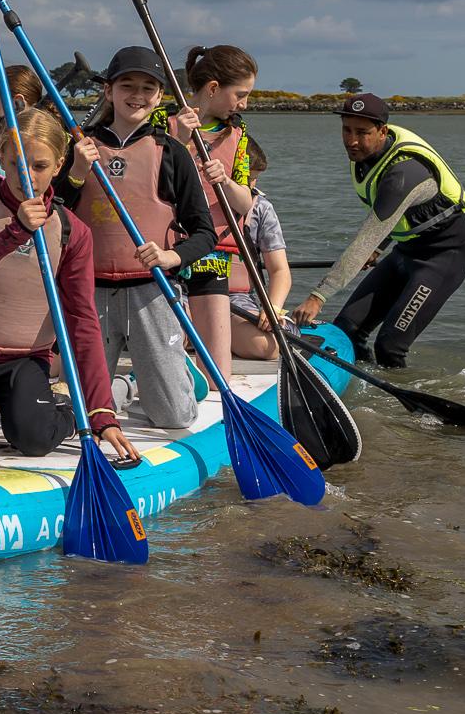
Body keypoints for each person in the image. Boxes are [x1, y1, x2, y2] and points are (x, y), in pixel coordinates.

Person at [0, 106, 138, 463]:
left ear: (59, 166)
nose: (26, 176)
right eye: (16, 164)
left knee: (35, 441)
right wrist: (15, 233)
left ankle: (66, 410)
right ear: (3, 159)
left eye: (40, 166)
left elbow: (83, 322)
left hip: (25, 359)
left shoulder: (72, 232)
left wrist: (101, 413)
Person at [60, 47, 216, 432]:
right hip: (88, 291)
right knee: (86, 412)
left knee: (174, 418)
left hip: (152, 290)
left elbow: (205, 233)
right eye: (127, 85)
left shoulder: (172, 152)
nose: (137, 95)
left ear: (160, 96)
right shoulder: (80, 145)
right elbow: (56, 208)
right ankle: (123, 386)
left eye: (148, 87)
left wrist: (170, 257)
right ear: (108, 91)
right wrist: (77, 171)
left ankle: (165, 375)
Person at [292, 93, 465, 366]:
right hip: (404, 252)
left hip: (442, 257)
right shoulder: (367, 155)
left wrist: (318, 296)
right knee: (347, 331)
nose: (352, 140)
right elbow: (392, 219)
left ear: (382, 131)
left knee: (390, 346)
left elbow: (365, 238)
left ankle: (398, 405)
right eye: (346, 130)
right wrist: (380, 248)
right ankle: (363, 391)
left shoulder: (403, 174)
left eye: (362, 133)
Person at [165, 44, 260, 392]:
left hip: (212, 252)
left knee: (219, 375)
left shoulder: (239, 134)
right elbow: (149, 183)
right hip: (167, 249)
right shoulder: (164, 122)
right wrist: (180, 140)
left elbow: (245, 200)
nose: (244, 104)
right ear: (214, 88)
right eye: (241, 94)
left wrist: (226, 180)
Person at [224, 135, 294, 361]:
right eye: (246, 179)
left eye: (254, 180)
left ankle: (206, 338)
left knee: (268, 347)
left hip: (235, 299)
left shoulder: (261, 209)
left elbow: (280, 271)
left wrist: (272, 307)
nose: (251, 186)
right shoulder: (188, 200)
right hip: (188, 296)